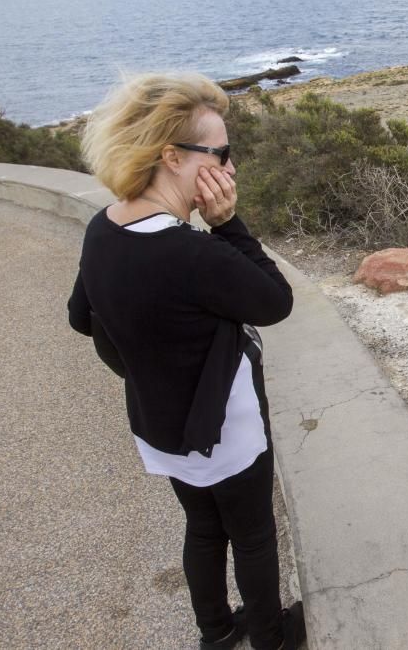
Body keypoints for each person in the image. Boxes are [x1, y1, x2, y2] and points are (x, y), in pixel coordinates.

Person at [67, 73, 304, 650]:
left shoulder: (105, 228)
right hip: (225, 424)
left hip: (161, 423)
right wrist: (227, 224)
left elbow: (82, 314)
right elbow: (275, 302)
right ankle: (270, 639)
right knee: (251, 536)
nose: (229, 167)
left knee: (202, 526)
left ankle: (217, 632)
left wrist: (150, 352)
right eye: (220, 153)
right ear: (172, 156)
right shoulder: (190, 251)